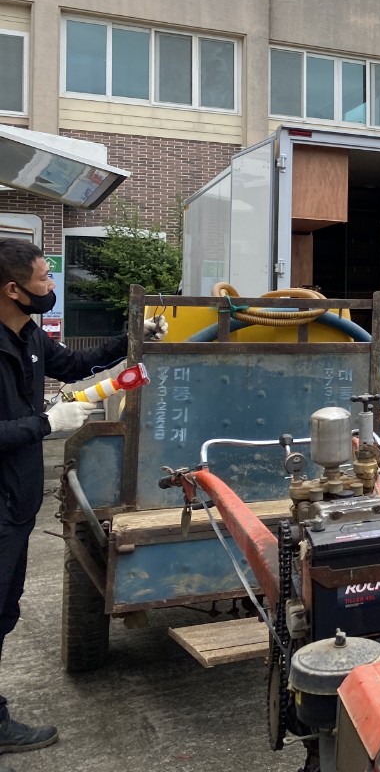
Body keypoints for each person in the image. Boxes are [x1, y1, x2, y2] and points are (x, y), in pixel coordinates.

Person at [0, 238, 162, 763]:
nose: (50, 286)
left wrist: (132, 338)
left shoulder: (28, 335)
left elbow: (75, 365)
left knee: (5, 611)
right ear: (12, 289)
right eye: (44, 279)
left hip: (18, 499)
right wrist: (44, 424)